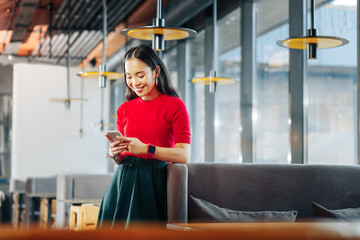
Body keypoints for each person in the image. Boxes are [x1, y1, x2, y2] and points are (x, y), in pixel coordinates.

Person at [97, 44, 191, 229]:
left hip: (155, 182)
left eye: (140, 75)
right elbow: (122, 159)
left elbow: (183, 155)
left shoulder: (175, 106)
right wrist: (116, 153)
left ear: (156, 72)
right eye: (129, 76)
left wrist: (147, 149)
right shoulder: (124, 109)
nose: (134, 82)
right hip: (123, 181)